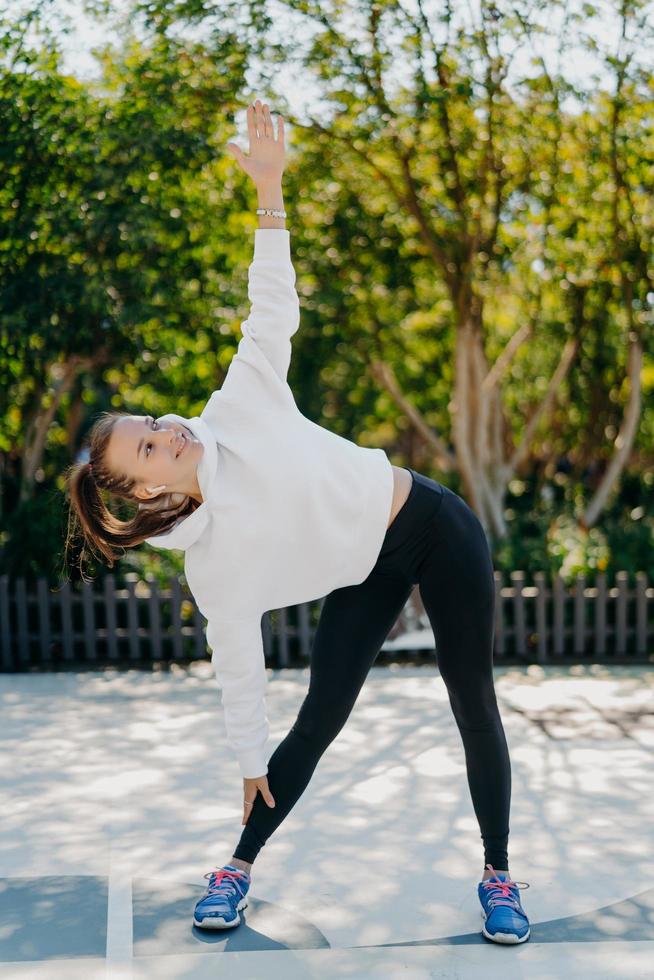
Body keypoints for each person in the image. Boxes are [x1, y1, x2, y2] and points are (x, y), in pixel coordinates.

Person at [65, 99, 530, 944]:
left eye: (152, 422)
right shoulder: (213, 569)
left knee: (473, 702)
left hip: (431, 522)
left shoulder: (236, 404)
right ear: (142, 493)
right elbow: (238, 668)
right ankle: (236, 868)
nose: (166, 432)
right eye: (148, 447)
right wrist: (250, 762)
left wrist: (270, 191)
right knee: (317, 719)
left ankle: (499, 875)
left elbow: (270, 308)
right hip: (366, 568)